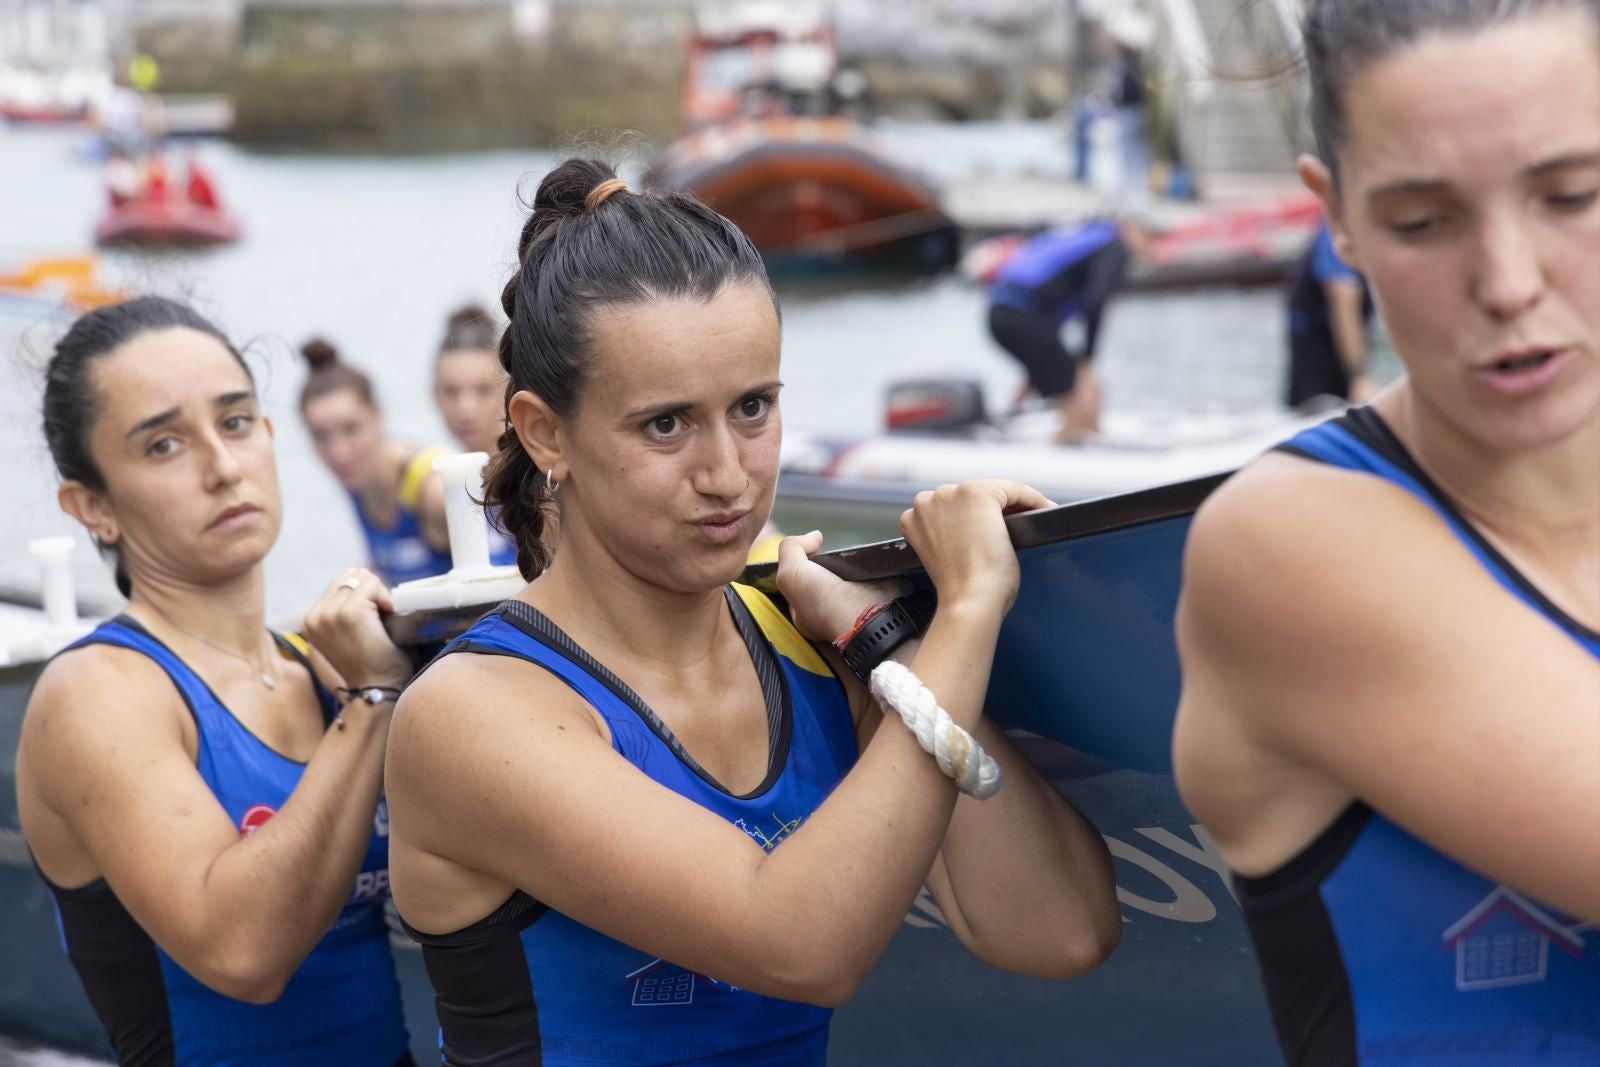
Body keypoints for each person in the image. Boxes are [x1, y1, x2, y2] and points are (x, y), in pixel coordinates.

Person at [385, 160, 1122, 1065]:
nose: (727, 474)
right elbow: (801, 944)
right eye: (666, 424)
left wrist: (885, 641)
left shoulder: (808, 648)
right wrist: (967, 609)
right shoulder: (472, 716)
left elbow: (1059, 931)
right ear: (545, 433)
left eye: (753, 407)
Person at [1173, 2, 1600, 1063]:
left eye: (1571, 197)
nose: (1507, 282)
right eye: (1423, 222)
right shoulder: (1289, 545)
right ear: (1338, 215)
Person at [16, 297, 414, 1065]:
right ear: (91, 505)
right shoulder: (101, 693)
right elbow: (243, 952)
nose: (224, 467)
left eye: (235, 423)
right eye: (164, 444)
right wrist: (374, 701)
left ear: (268, 437)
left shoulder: (318, 666)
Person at [299, 338, 453, 586]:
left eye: (351, 430)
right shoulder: (356, 480)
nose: (339, 453)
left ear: (376, 416)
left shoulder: (433, 487)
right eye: (321, 437)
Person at [986, 216, 1145, 442]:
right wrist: (1088, 359)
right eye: (1149, 236)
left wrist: (1034, 372)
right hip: (1021, 316)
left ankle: (1087, 437)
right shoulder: (1114, 245)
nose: (1151, 246)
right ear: (1131, 228)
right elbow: (1095, 302)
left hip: (999, 315)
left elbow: (1046, 307)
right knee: (1078, 390)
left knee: (1066, 379)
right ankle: (1070, 447)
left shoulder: (1084, 237)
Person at [431, 302, 518, 567]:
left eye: (482, 390)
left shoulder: (539, 477)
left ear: (509, 389)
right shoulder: (437, 488)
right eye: (451, 392)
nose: (465, 409)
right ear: (434, 395)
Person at [1286, 220, 1376, 407]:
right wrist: (1359, 375)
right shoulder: (1337, 235)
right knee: (1315, 409)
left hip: (1337, 341)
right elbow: (1343, 304)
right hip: (1315, 345)